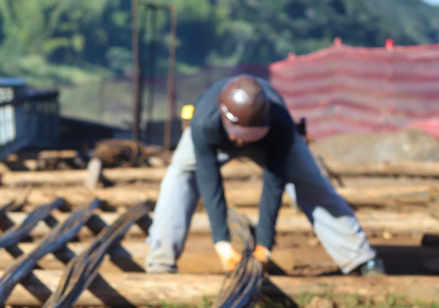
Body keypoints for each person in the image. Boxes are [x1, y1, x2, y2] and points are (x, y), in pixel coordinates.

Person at [145, 75, 384, 276]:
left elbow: (274, 181)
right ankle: (160, 261)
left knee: (311, 180)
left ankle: (359, 258)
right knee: (179, 175)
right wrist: (222, 243)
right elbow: (209, 180)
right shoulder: (204, 122)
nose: (241, 143)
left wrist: (264, 244)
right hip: (214, 139)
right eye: (238, 135)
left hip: (271, 142)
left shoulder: (280, 125)